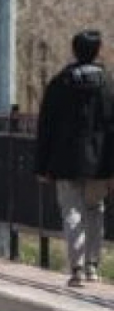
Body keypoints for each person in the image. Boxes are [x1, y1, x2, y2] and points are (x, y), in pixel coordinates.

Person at [35, 30, 114, 287]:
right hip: (101, 161)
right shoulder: (108, 84)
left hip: (65, 159)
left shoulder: (60, 84)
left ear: (74, 50)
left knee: (72, 212)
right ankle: (92, 265)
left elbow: (46, 126)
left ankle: (76, 268)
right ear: (97, 50)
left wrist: (42, 164)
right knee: (95, 209)